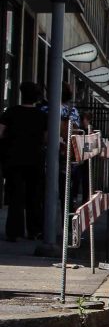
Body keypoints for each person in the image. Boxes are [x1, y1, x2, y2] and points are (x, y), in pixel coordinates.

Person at [0, 82, 47, 242]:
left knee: (15, 197)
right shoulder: (42, 116)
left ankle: (14, 231)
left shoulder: (11, 112)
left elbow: (1, 132)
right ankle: (34, 230)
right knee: (34, 196)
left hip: (13, 159)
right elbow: (47, 138)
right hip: (35, 159)